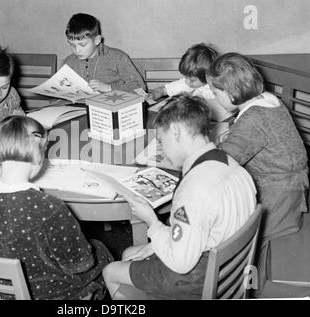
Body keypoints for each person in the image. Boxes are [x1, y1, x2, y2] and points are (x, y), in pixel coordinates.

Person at [102, 94, 257, 300]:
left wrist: (152, 222)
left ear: (175, 131)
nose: (162, 150)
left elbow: (181, 263)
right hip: (228, 267)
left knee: (111, 271)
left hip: (197, 278)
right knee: (130, 254)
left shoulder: (193, 189)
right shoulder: (232, 164)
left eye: (161, 140)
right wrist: (157, 242)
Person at [0, 115, 113, 300]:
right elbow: (79, 264)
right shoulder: (49, 207)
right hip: (46, 292)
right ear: (39, 155)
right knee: (101, 251)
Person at [206, 52, 309, 294]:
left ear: (231, 94)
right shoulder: (267, 100)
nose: (213, 96)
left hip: (280, 197)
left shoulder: (255, 117)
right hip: (291, 188)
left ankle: (249, 290)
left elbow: (222, 163)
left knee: (240, 236)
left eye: (215, 91)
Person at [63, 13, 146, 93]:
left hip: (112, 105)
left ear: (97, 40)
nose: (77, 50)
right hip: (79, 106)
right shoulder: (68, 62)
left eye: (82, 44)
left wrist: (109, 88)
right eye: (72, 45)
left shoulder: (117, 57)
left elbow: (140, 88)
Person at [148, 43, 231, 122]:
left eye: (192, 80)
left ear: (207, 77)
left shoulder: (217, 88)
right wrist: (154, 94)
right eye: (185, 77)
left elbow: (228, 114)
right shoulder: (186, 83)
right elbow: (164, 90)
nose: (187, 82)